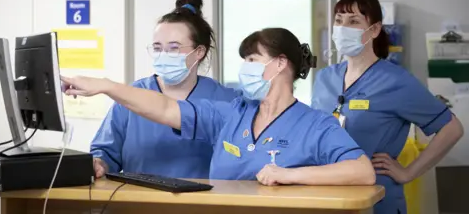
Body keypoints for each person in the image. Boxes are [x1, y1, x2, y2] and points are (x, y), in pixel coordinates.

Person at [62, 28, 376, 186]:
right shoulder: (232, 112)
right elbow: (164, 108)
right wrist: (106, 85)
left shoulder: (315, 124)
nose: (245, 68)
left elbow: (362, 171)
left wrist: (291, 175)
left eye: (253, 60)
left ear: (281, 64)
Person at [311, 0, 464, 214]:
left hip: (377, 200)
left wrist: (408, 173)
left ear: (374, 30)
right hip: (328, 196)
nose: (343, 28)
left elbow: (452, 128)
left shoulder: (396, 81)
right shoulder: (325, 78)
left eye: (354, 21)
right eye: (338, 20)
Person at [90, 0, 240, 179]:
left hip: (202, 204)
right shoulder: (132, 96)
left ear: (199, 51)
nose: (163, 55)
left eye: (174, 48)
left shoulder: (225, 99)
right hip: (139, 202)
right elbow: (105, 153)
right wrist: (99, 163)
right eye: (158, 48)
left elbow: (242, 158)